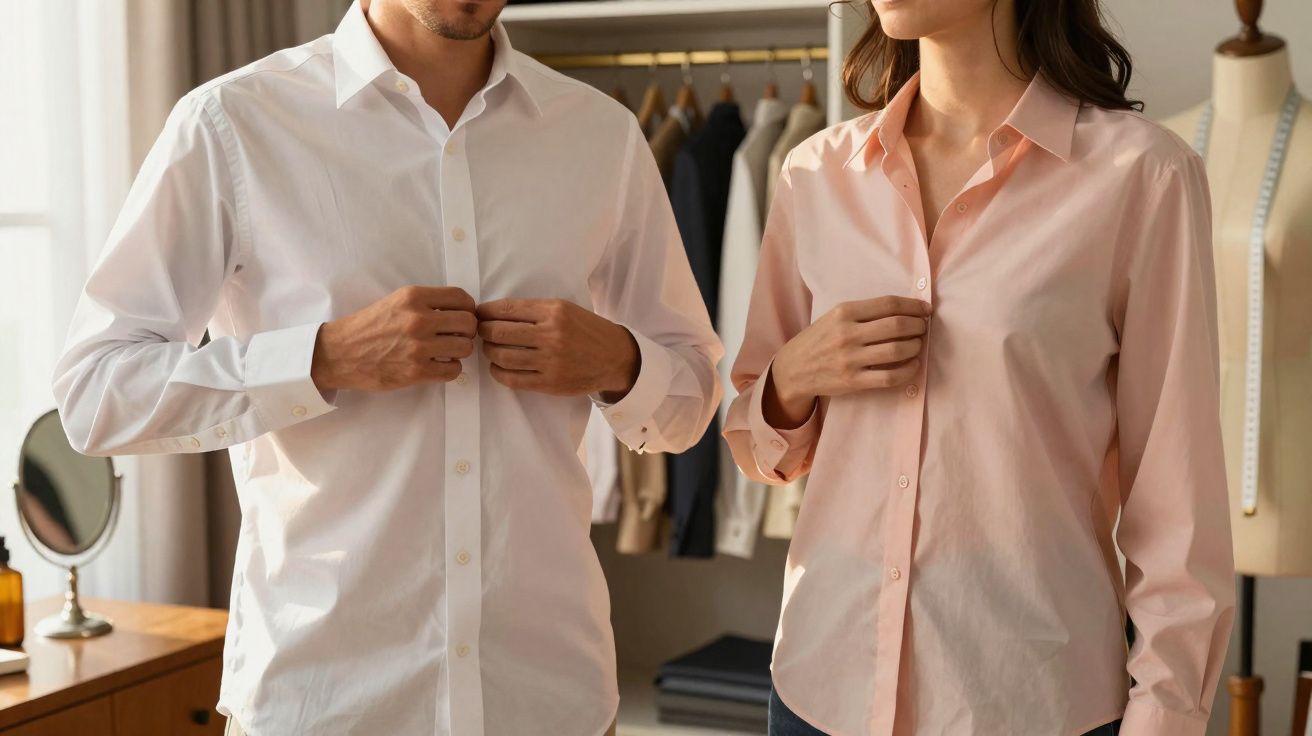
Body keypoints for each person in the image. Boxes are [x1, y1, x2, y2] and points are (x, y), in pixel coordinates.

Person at [52, 1, 721, 734]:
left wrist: (619, 362)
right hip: (327, 702)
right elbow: (95, 394)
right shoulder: (234, 125)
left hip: (550, 697)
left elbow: (688, 402)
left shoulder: (600, 137)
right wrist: (320, 358)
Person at [724, 0, 1234, 734]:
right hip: (819, 688)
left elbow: (1178, 510)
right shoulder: (816, 175)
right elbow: (756, 445)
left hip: (1025, 700)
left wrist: (1164, 719)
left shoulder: (1143, 178)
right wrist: (791, 377)